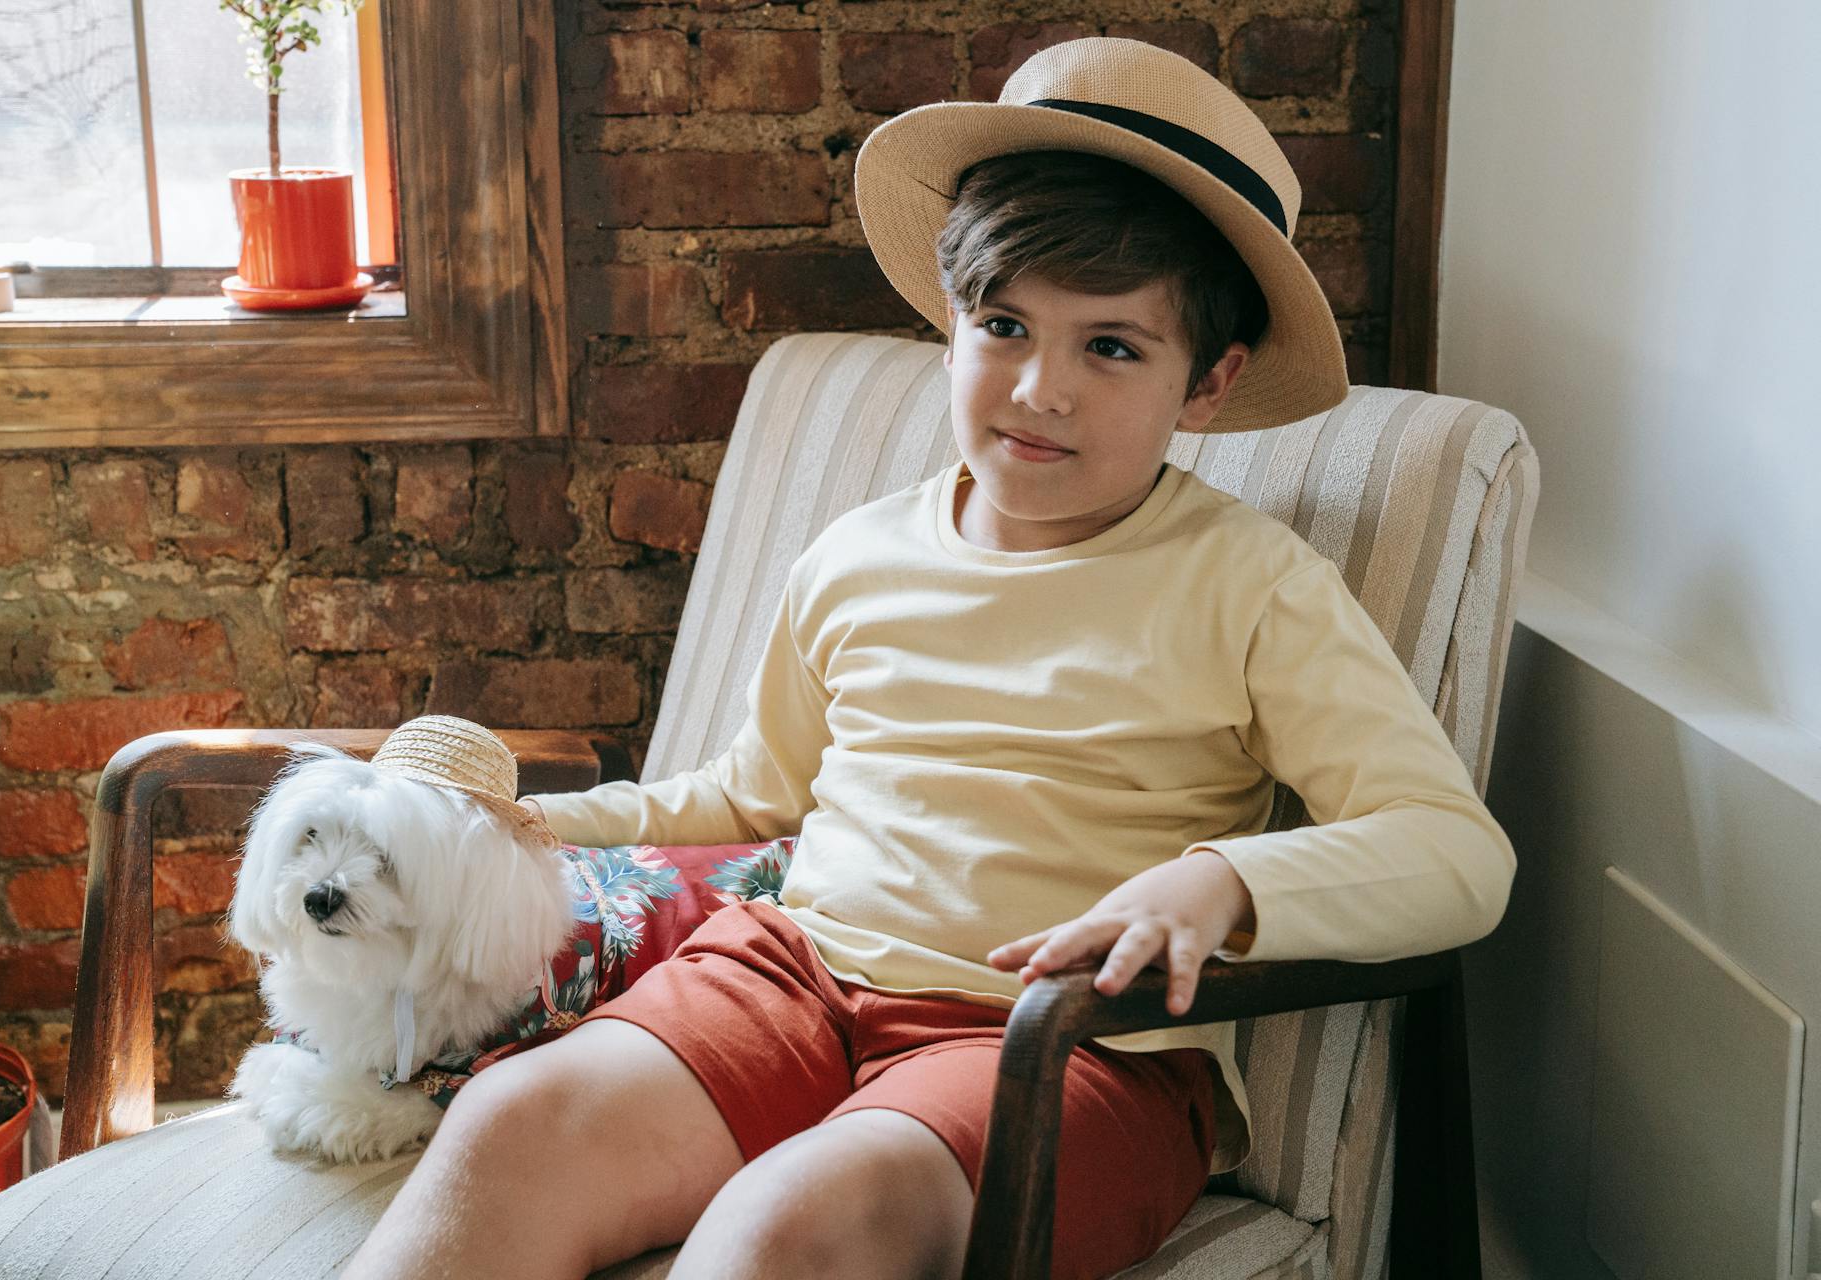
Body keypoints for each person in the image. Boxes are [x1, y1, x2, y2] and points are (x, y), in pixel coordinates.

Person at [343, 36, 1514, 1280]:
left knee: (783, 1225)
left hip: (1062, 1044)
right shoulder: (858, 554)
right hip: (791, 974)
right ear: (950, 325)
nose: (1038, 388)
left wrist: (1222, 884)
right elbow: (754, 792)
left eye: (1111, 346)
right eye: (1003, 325)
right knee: (509, 1122)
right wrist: (541, 821)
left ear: (1209, 384)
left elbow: (1455, 850)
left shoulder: (1254, 585)